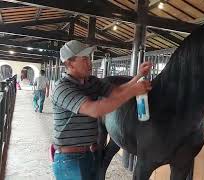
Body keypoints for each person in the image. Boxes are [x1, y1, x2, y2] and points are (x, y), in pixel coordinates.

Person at [51, 40, 152, 180]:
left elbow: (117, 92)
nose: (90, 63)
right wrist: (133, 92)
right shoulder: (62, 88)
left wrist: (138, 76)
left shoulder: (91, 82)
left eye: (89, 58)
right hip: (69, 160)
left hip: (88, 154)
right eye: (85, 59)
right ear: (70, 63)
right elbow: (94, 110)